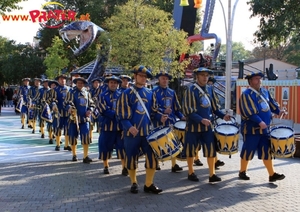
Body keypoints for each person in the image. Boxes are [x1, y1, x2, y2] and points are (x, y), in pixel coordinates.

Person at [116, 65, 167, 194]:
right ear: (135, 76)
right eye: (141, 76)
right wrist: (129, 127)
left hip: (147, 133)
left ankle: (149, 184)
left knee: (152, 157)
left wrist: (161, 117)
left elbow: (154, 112)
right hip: (131, 133)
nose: (143, 78)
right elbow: (121, 115)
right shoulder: (126, 93)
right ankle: (133, 182)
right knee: (131, 157)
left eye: (145, 77)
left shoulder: (150, 93)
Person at [182, 67, 231, 183]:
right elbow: (188, 110)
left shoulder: (210, 89)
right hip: (193, 127)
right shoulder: (190, 90)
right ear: (197, 76)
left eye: (207, 75)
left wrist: (223, 116)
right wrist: (201, 120)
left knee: (211, 150)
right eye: (202, 75)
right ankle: (190, 172)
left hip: (207, 127)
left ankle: (212, 174)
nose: (205, 77)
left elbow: (215, 108)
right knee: (191, 150)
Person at [238, 72, 285, 182]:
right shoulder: (246, 94)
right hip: (252, 129)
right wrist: (259, 121)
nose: (259, 81)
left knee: (266, 151)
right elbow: (248, 112)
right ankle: (242, 171)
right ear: (250, 81)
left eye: (260, 79)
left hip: (265, 129)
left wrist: (279, 111)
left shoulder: (265, 91)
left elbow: (272, 105)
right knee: (248, 150)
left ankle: (272, 174)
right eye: (256, 79)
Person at [152, 71, 185, 173]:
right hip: (158, 121)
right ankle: (156, 163)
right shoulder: (153, 92)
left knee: (173, 142)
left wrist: (182, 117)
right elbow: (152, 108)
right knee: (157, 143)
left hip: (171, 121)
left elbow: (176, 109)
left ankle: (174, 165)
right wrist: (162, 111)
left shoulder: (172, 92)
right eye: (163, 78)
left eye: (166, 79)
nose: (165, 80)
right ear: (159, 79)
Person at [97, 75, 127, 175]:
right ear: (108, 83)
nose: (113, 84)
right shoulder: (102, 95)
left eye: (115, 83)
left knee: (122, 147)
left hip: (120, 127)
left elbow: (125, 108)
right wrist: (117, 114)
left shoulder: (122, 95)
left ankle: (124, 167)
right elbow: (103, 109)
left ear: (118, 84)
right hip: (106, 126)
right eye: (111, 82)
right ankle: (106, 166)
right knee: (105, 146)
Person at [65, 77, 95, 163]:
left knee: (86, 137)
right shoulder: (71, 92)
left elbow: (92, 104)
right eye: (78, 83)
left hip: (85, 119)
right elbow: (67, 103)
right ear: (76, 83)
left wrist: (90, 110)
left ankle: (85, 156)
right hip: (74, 119)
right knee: (73, 137)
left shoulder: (87, 93)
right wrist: (70, 108)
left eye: (81, 83)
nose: (80, 84)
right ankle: (74, 155)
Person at [49, 74, 71, 151]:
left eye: (64, 79)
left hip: (68, 113)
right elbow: (53, 100)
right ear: (58, 80)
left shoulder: (69, 89)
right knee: (58, 128)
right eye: (61, 79)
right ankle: (57, 144)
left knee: (68, 129)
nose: (63, 80)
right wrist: (54, 104)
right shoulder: (55, 90)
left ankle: (66, 145)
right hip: (59, 113)